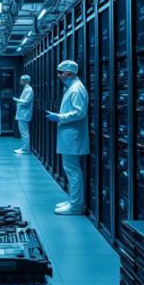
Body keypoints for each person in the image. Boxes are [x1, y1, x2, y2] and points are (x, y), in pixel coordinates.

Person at [45, 60, 89, 215]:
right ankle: (73, 200)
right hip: (69, 135)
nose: (59, 75)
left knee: (72, 170)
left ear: (70, 73)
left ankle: (76, 206)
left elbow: (80, 112)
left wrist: (59, 117)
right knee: (70, 169)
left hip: (72, 136)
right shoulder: (72, 88)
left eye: (61, 72)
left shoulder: (77, 89)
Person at [12, 75, 34, 154]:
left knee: (24, 132)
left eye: (21, 80)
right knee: (23, 132)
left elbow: (26, 101)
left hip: (24, 114)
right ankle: (24, 148)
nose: (20, 82)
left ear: (25, 81)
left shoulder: (29, 90)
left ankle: (25, 149)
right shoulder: (26, 89)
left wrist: (16, 100)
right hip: (22, 114)